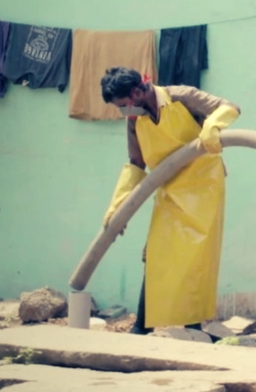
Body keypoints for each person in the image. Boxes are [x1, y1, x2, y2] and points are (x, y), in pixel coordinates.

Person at [99, 66, 241, 335]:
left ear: (136, 92)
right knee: (154, 254)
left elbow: (229, 107)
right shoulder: (135, 121)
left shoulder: (180, 96)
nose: (123, 111)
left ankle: (193, 326)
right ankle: (142, 327)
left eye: (124, 104)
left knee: (196, 256)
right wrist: (117, 207)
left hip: (204, 184)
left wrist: (212, 126)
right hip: (169, 186)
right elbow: (136, 163)